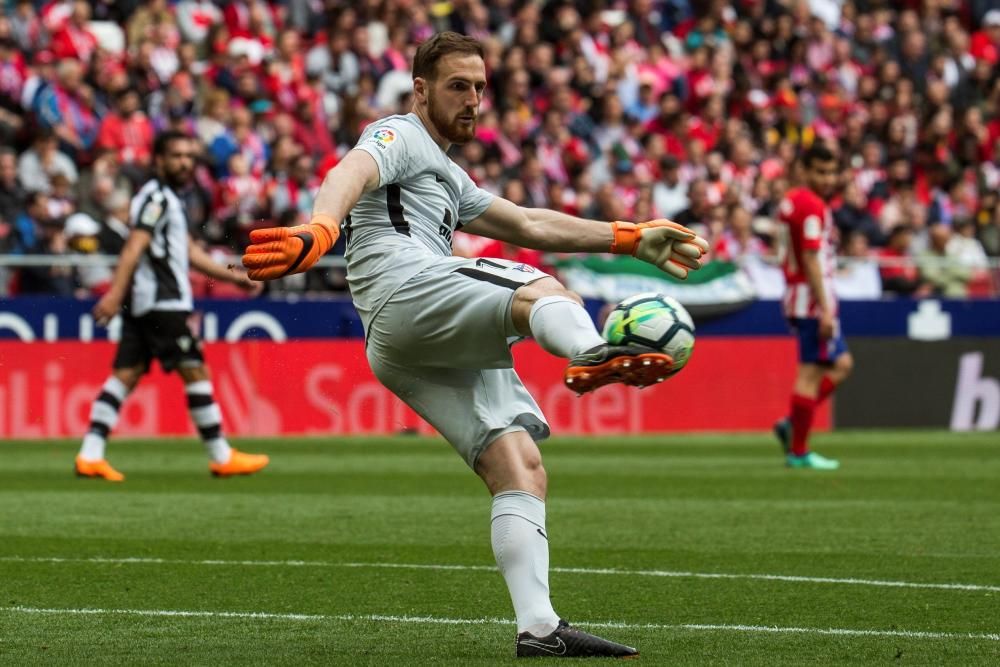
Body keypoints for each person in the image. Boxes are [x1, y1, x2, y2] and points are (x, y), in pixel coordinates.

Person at [241, 32, 708, 659]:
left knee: (518, 467)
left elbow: (527, 223)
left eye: (481, 88)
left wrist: (628, 236)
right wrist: (320, 228)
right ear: (422, 89)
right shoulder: (399, 134)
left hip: (402, 343)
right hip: (408, 289)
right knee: (537, 290)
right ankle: (595, 351)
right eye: (459, 86)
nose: (473, 100)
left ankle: (539, 628)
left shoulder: (448, 174)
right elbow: (348, 171)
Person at [75, 130, 269, 482]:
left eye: (189, 156)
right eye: (176, 156)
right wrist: (114, 293)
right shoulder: (157, 198)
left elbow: (190, 253)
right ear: (159, 160)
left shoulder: (168, 199)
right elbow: (134, 245)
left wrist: (235, 276)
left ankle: (90, 454)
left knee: (127, 375)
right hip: (163, 302)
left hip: (147, 302)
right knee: (195, 370)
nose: (184, 163)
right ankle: (220, 455)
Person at [772, 144, 854, 470]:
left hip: (798, 294)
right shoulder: (811, 205)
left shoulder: (791, 200)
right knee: (809, 374)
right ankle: (799, 450)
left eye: (832, 172)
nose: (827, 178)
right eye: (820, 171)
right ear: (803, 170)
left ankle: (793, 424)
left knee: (843, 362)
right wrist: (826, 309)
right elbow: (809, 258)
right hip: (810, 299)